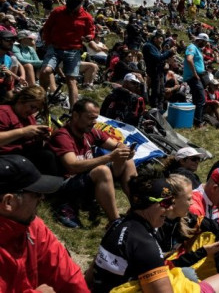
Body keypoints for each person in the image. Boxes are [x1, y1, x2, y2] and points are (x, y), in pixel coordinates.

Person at [92, 172, 219, 293]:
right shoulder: (145, 244)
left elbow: (92, 275)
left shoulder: (117, 225)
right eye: (166, 203)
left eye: (172, 203)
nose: (169, 209)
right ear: (147, 203)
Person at [0, 154, 90, 293]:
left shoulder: (32, 225)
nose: (42, 198)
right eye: (36, 193)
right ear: (9, 202)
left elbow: (67, 275)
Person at [49, 98, 137, 227]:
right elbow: (72, 166)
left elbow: (116, 145)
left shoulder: (90, 131)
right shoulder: (62, 136)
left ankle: (138, 207)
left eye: (96, 118)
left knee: (127, 161)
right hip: (67, 185)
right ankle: (115, 222)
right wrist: (109, 158)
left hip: (86, 178)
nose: (94, 122)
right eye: (90, 118)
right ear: (75, 115)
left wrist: (124, 150)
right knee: (102, 170)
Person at [39, 0, 95, 107]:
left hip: (73, 51)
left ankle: (73, 111)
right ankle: (41, 100)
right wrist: (48, 42)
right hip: (55, 48)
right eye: (69, 5)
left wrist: (89, 37)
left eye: (74, 7)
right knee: (45, 71)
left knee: (71, 80)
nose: (70, 9)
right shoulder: (57, 12)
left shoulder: (87, 17)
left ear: (80, 4)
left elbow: (91, 32)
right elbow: (47, 28)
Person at [0, 86, 59, 175]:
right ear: (21, 99)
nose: (33, 111)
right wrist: (23, 132)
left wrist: (39, 137)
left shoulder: (29, 118)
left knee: (50, 154)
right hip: (6, 159)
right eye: (32, 107)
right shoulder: (3, 113)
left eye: (37, 109)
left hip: (23, 156)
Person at [142, 30, 176, 111]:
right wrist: (169, 52)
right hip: (154, 72)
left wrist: (169, 53)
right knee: (156, 92)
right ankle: (154, 110)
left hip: (160, 72)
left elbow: (162, 58)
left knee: (161, 92)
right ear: (155, 38)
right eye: (160, 38)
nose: (162, 41)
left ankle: (159, 110)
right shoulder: (149, 46)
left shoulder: (156, 47)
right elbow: (158, 58)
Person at [183, 33, 209, 128]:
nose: (206, 44)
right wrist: (195, 73)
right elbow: (189, 59)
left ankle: (194, 120)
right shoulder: (192, 47)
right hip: (193, 77)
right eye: (205, 42)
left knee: (197, 98)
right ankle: (198, 122)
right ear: (200, 40)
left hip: (198, 76)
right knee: (201, 98)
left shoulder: (197, 49)